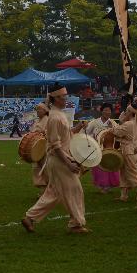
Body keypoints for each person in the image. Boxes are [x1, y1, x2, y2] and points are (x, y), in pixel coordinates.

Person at [22, 84, 90, 234]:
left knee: (53, 193)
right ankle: (76, 224)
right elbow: (55, 144)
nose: (66, 99)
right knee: (75, 189)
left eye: (66, 96)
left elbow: (66, 136)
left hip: (62, 158)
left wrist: (78, 127)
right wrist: (68, 163)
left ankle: (30, 218)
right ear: (55, 98)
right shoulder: (53, 117)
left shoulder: (60, 114)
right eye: (63, 97)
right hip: (59, 160)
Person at [106, 104, 137, 202]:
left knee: (134, 174)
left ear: (131, 112)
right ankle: (123, 196)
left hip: (129, 150)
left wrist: (111, 127)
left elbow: (117, 132)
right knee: (124, 174)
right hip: (130, 149)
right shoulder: (135, 122)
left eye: (127, 110)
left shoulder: (129, 124)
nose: (125, 112)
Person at [85, 103, 120, 193]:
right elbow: (87, 132)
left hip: (109, 149)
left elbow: (118, 134)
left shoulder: (113, 123)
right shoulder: (94, 122)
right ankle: (102, 185)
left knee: (109, 166)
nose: (107, 112)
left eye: (109, 110)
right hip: (98, 149)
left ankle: (109, 185)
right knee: (99, 168)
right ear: (102, 111)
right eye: (105, 110)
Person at [28, 103, 51, 188]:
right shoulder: (37, 121)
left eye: (39, 109)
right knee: (37, 168)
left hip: (45, 148)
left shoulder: (48, 120)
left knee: (46, 169)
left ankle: (49, 190)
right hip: (36, 148)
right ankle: (43, 189)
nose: (37, 111)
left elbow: (50, 133)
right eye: (37, 109)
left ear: (45, 111)